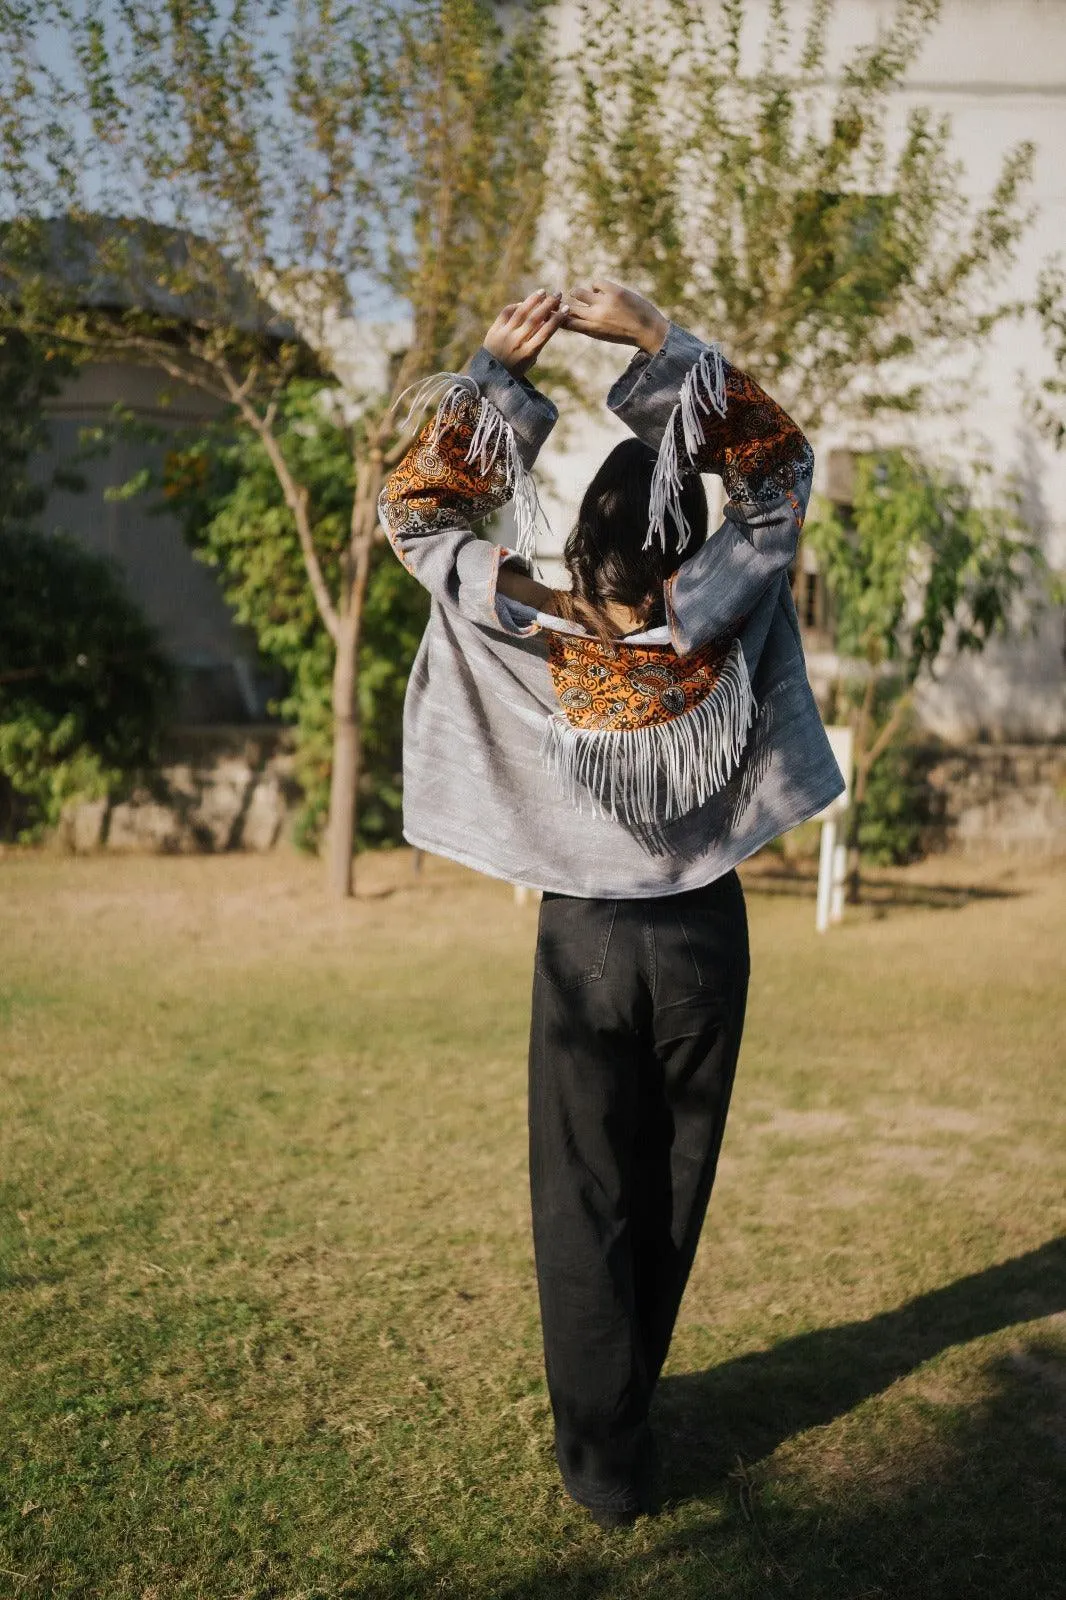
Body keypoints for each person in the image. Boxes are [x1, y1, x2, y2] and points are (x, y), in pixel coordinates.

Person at [378, 281, 844, 1527]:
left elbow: (418, 523)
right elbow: (781, 474)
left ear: (584, 529)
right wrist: (654, 343)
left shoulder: (533, 617)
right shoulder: (720, 604)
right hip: (702, 935)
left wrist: (496, 381)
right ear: (681, 529)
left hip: (582, 941)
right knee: (672, 1181)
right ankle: (632, 1395)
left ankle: (603, 1461)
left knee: (583, 1189)